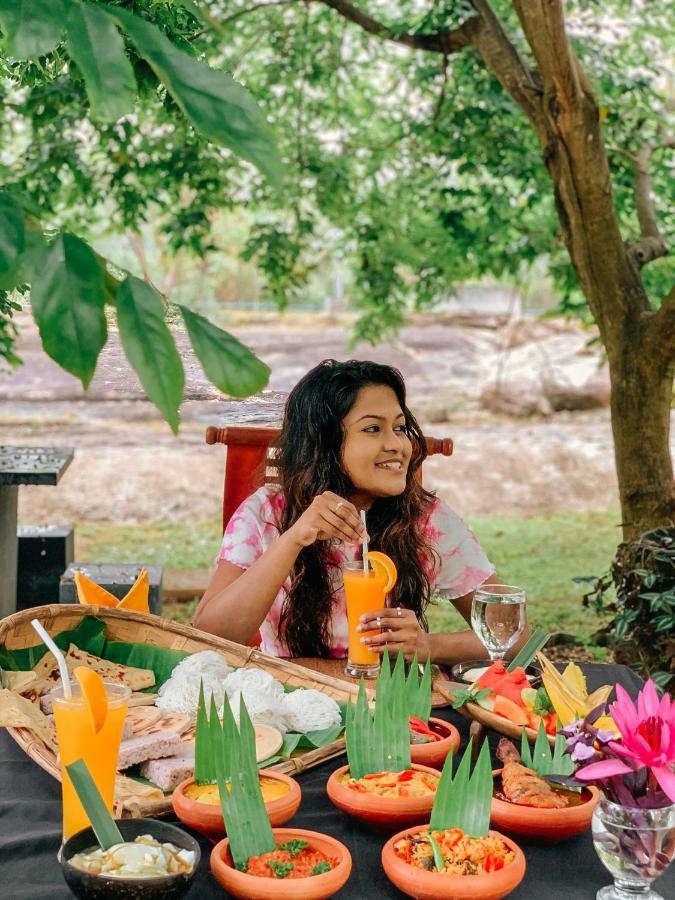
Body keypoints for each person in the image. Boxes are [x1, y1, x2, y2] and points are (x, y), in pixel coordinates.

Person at [195, 359, 525, 664]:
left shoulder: (427, 520)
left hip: (387, 707)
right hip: (289, 703)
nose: (397, 444)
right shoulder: (266, 513)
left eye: (399, 427)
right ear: (324, 442)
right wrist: (293, 539)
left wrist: (429, 646)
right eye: (372, 429)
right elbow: (208, 639)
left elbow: (513, 635)